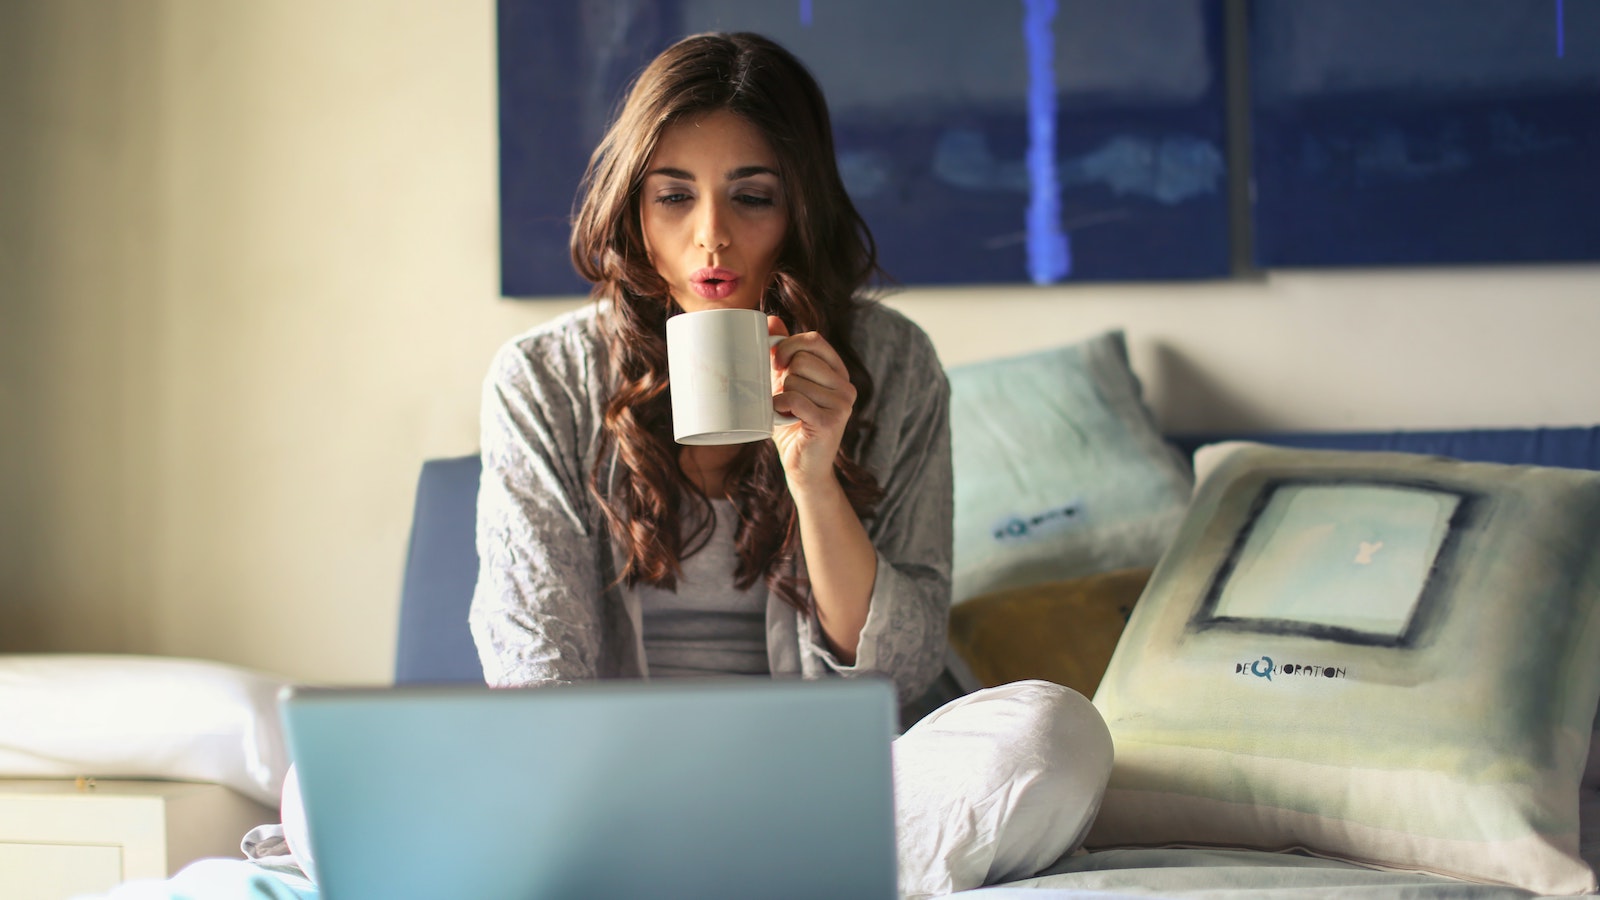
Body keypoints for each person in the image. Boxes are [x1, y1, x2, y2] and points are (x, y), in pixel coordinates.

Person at [466, 31, 1111, 897]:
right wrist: (592, 790)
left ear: (799, 208)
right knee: (317, 797)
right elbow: (533, 667)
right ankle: (761, 868)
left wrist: (814, 476)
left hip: (834, 784)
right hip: (617, 785)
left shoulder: (895, 363)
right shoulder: (543, 380)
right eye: (674, 196)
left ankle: (704, 869)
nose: (713, 239)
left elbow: (898, 672)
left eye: (752, 197)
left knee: (1055, 736)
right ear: (632, 209)